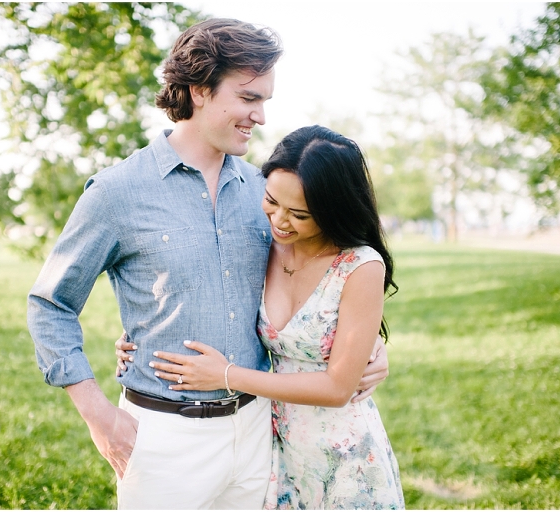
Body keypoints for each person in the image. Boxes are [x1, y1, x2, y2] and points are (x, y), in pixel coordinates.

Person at [28, 18, 389, 510]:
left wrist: (368, 351)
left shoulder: (265, 193)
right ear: (199, 90)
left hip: (261, 433)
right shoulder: (117, 193)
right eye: (248, 97)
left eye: (265, 100)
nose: (260, 116)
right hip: (165, 437)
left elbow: (324, 274)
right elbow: (50, 305)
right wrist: (97, 414)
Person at [149, 125, 405, 509]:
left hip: (345, 457)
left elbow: (338, 389)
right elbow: (204, 288)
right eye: (271, 201)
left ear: (333, 210)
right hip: (279, 452)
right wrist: (142, 335)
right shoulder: (264, 243)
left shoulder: (359, 266)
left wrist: (226, 375)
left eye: (299, 214)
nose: (280, 221)